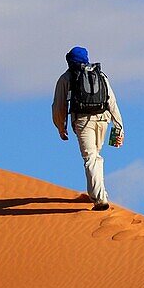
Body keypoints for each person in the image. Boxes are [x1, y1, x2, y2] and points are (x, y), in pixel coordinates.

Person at [52, 46, 124, 211]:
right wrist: (119, 126)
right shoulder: (100, 74)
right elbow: (111, 101)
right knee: (96, 156)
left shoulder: (66, 77)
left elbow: (58, 105)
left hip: (83, 122)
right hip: (103, 119)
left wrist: (60, 127)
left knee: (90, 158)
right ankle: (99, 193)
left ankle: (100, 198)